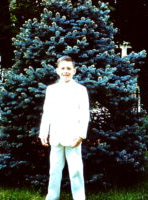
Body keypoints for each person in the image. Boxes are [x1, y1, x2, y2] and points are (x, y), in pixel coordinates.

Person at [39, 55, 90, 200]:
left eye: (69, 68)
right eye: (63, 68)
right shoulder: (51, 89)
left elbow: (84, 114)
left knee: (75, 170)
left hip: (74, 137)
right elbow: (47, 112)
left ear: (74, 71)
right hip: (55, 136)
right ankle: (52, 197)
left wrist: (81, 135)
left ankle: (79, 197)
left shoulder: (80, 90)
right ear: (57, 71)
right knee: (54, 170)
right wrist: (44, 132)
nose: (65, 71)